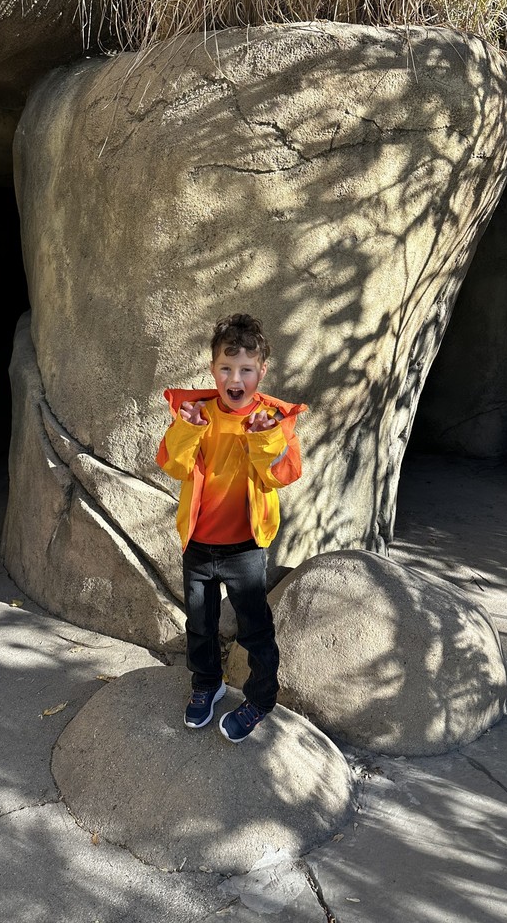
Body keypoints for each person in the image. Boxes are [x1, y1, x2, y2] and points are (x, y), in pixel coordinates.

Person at [157, 313, 306, 743]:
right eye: (226, 367)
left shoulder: (275, 421)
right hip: (198, 546)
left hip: (245, 549)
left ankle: (260, 698)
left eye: (245, 369)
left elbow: (281, 476)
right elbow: (172, 465)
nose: (234, 377)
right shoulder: (195, 413)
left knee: (255, 628)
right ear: (212, 369)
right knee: (199, 625)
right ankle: (207, 684)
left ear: (262, 371)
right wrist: (188, 429)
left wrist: (264, 439)